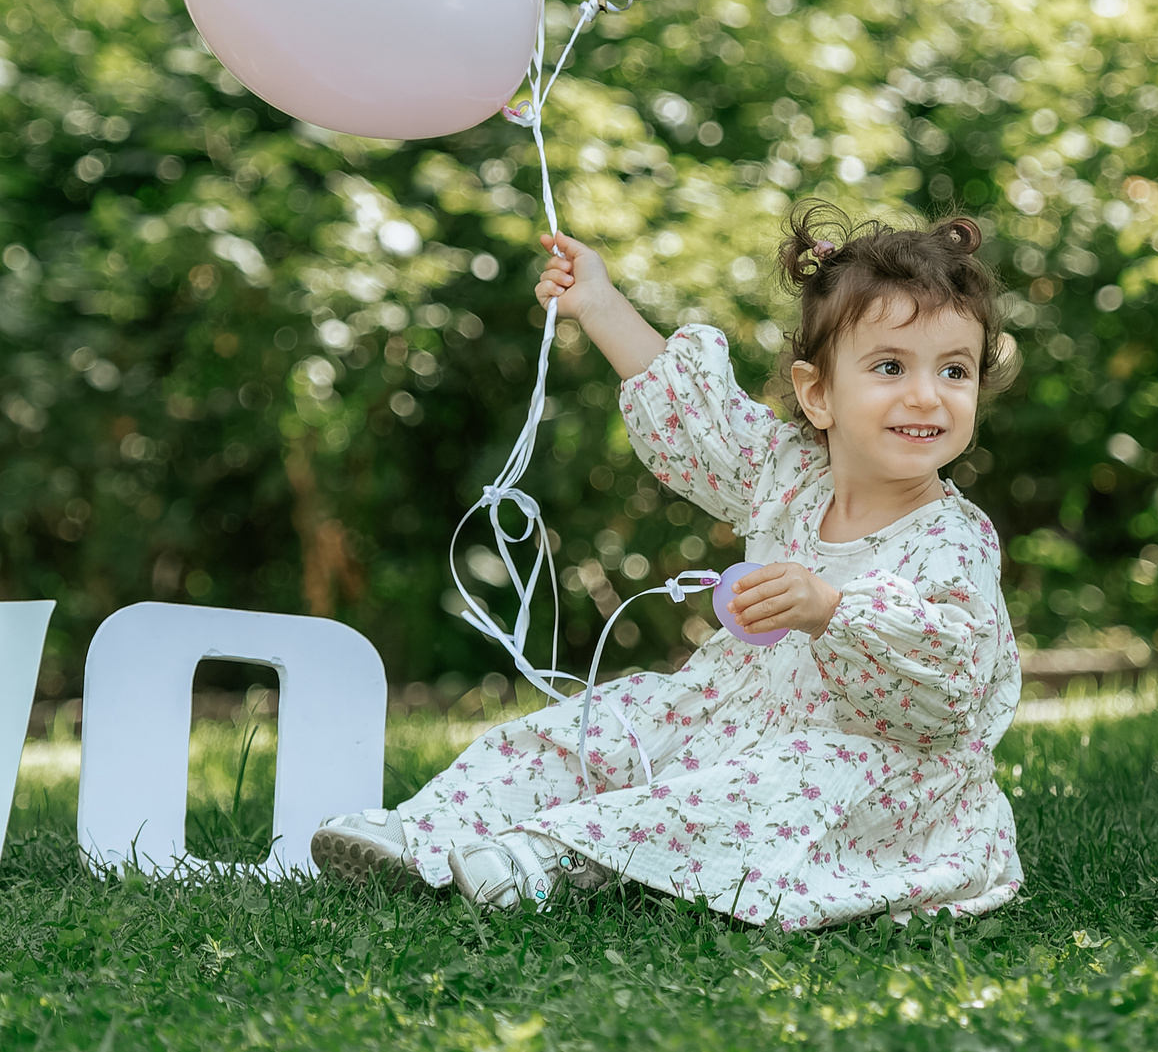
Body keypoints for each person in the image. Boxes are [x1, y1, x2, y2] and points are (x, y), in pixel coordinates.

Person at [311, 202, 1024, 930]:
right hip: (740, 717)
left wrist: (831, 609)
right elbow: (696, 412)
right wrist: (597, 300)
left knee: (781, 783)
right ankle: (425, 831)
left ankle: (554, 857)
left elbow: (949, 679)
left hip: (875, 774)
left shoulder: (951, 537)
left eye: (955, 370)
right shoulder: (787, 473)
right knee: (607, 726)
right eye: (890, 366)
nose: (926, 394)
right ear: (818, 393)